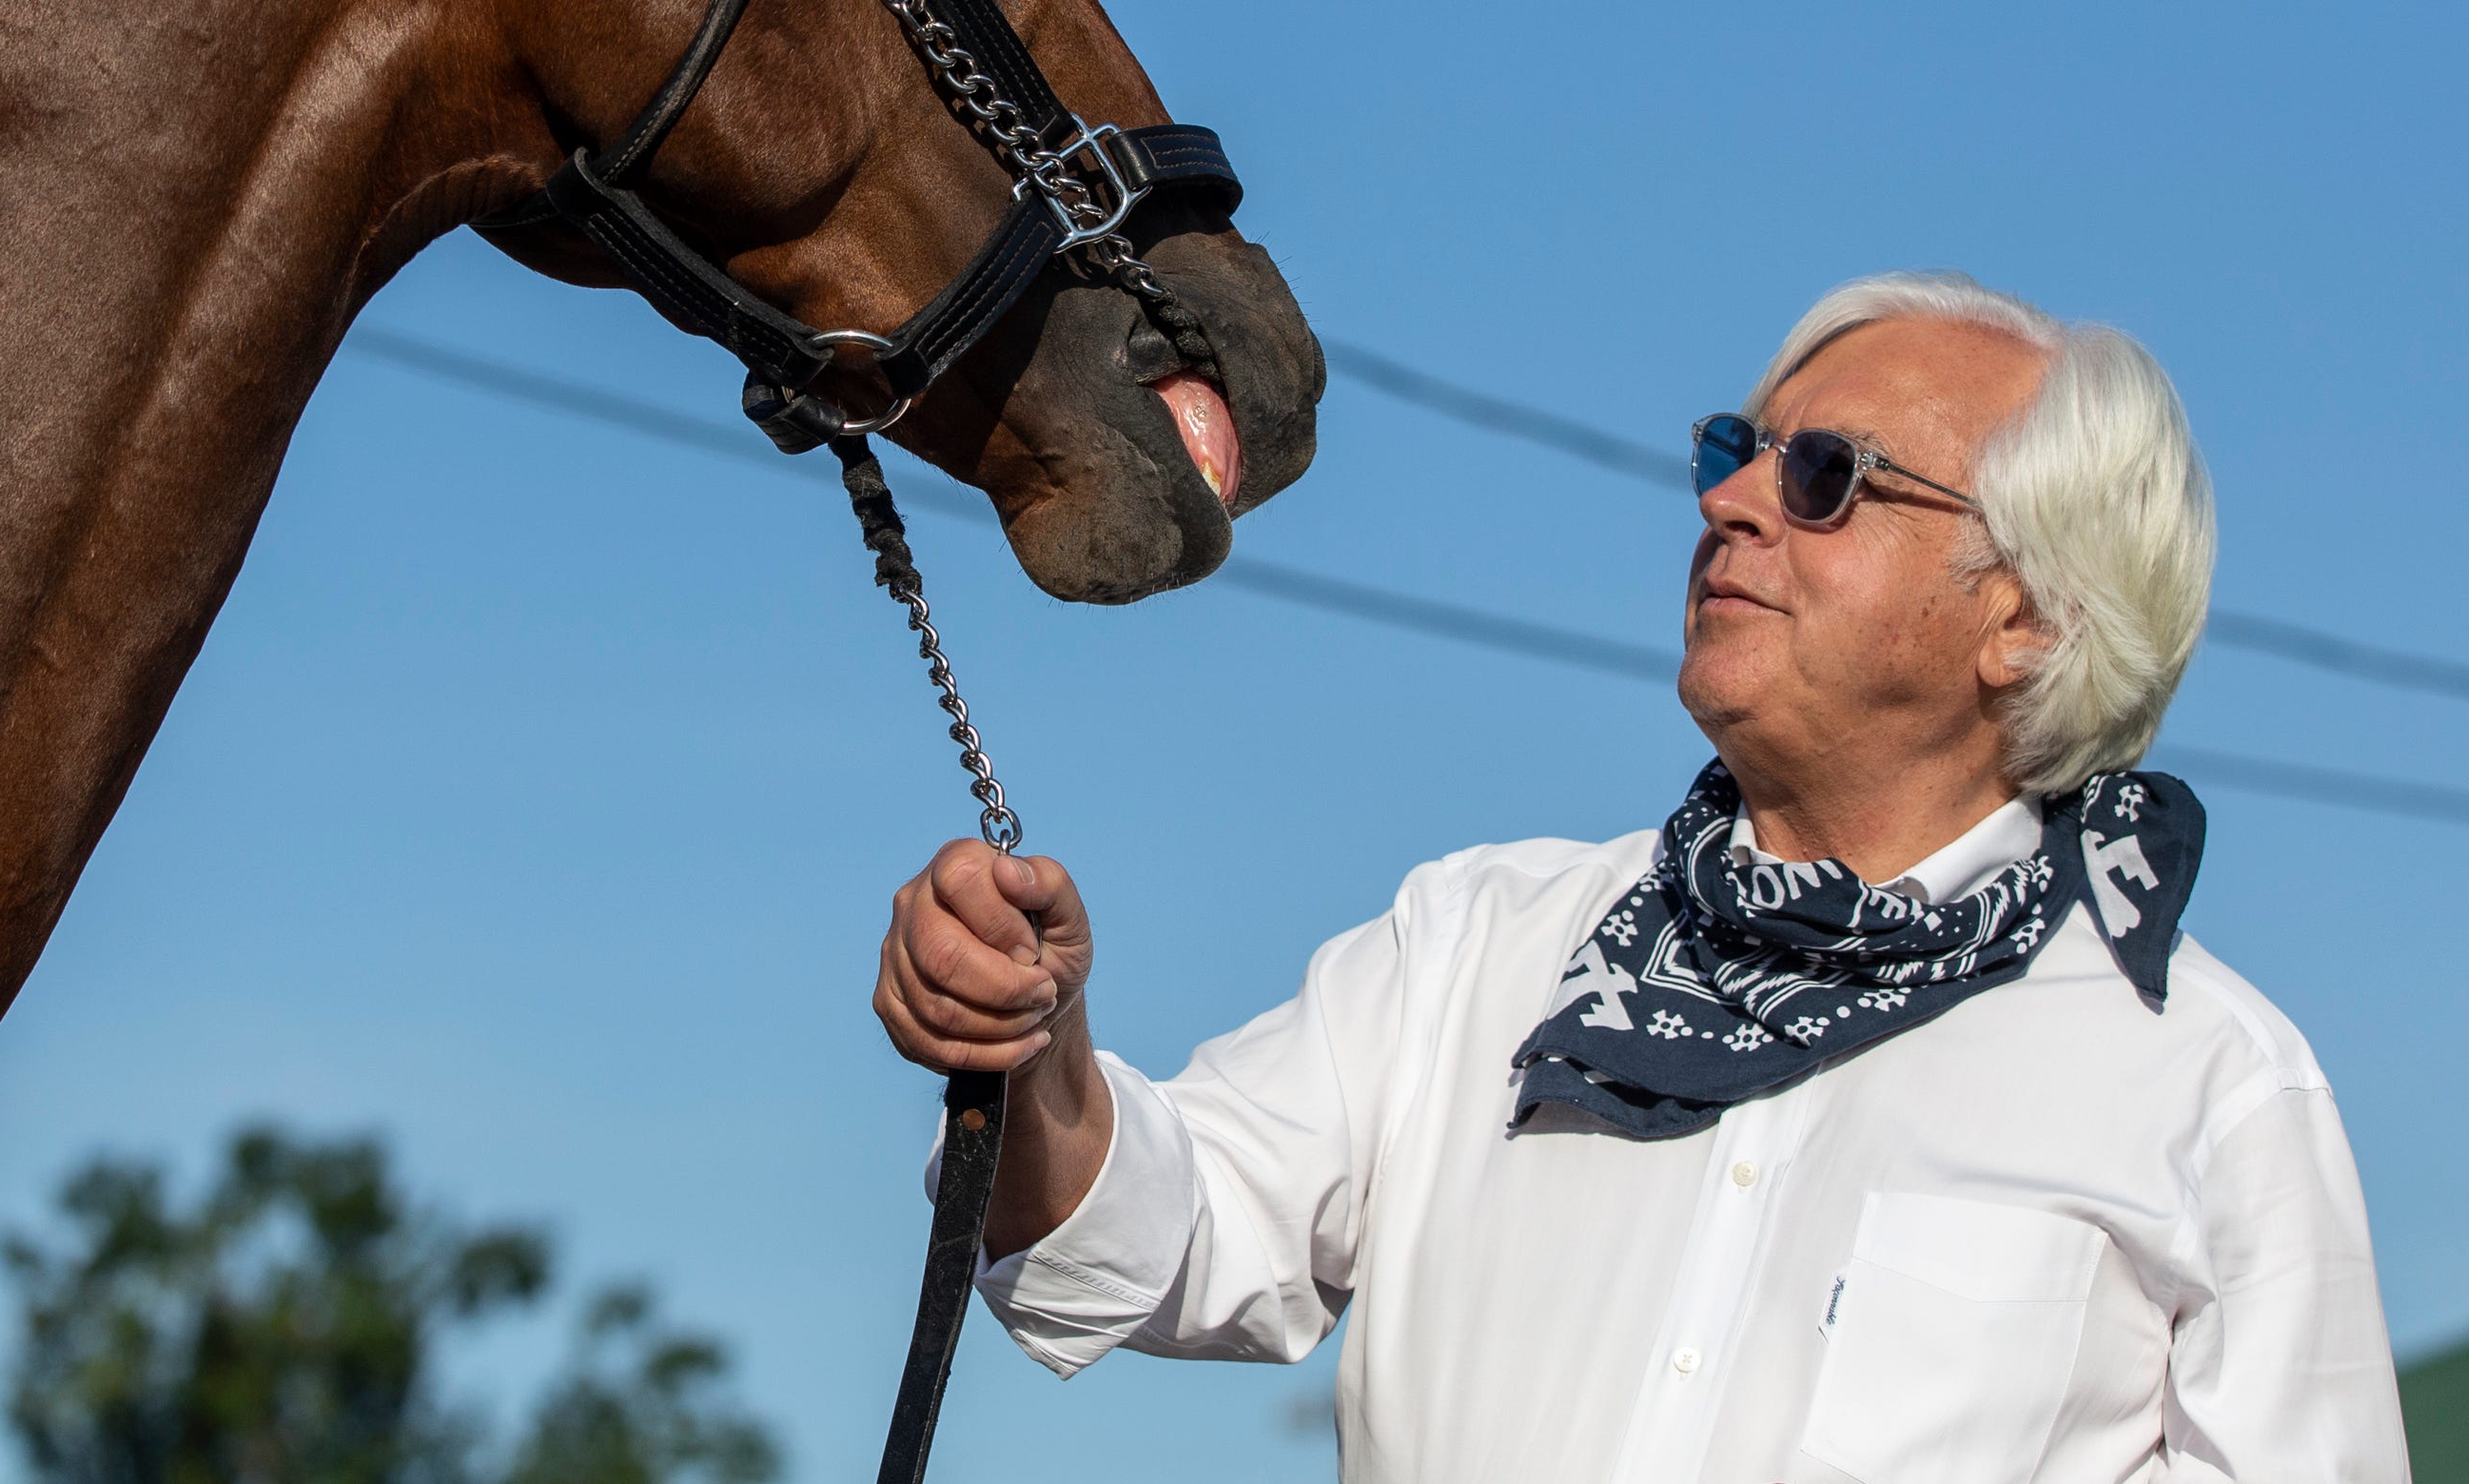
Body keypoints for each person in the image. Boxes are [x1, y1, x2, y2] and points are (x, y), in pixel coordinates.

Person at [875, 272, 2407, 1482]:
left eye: (1827, 477)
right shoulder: (1481, 943)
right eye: (1735, 453)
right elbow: (1168, 1238)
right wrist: (1033, 1050)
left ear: (2029, 618)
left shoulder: (2205, 1086)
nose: (1728, 503)